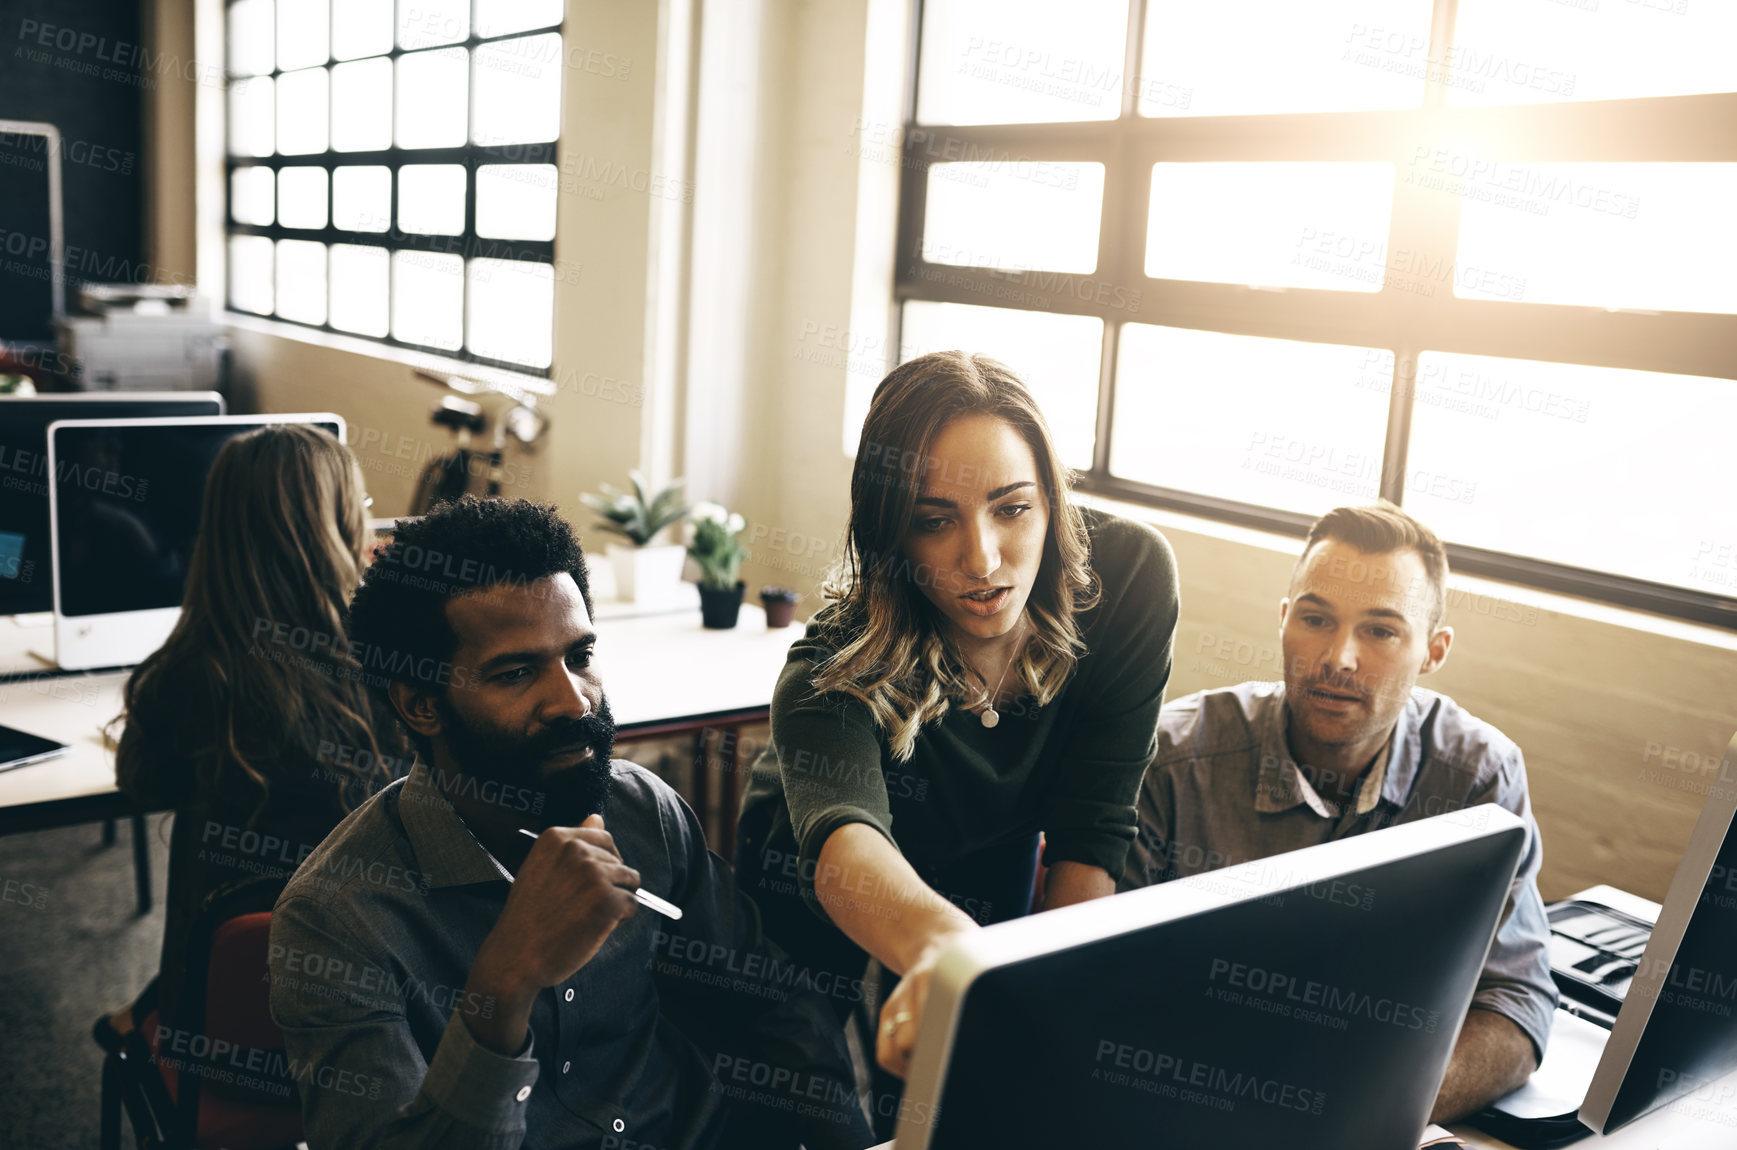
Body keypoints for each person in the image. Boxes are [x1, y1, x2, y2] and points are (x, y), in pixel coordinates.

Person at [268, 497, 872, 1150]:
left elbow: (773, 1008)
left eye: (579, 655)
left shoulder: (643, 810)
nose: (571, 698)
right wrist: (504, 984)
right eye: (515, 672)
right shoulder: (336, 917)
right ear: (420, 705)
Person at [734, 350, 1181, 1101]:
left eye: (1011, 508)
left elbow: (1091, 833)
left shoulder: (1129, 578)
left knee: (963, 1081)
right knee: (790, 1087)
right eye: (933, 521)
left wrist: (1041, 1007)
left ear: (1051, 501)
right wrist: (950, 951)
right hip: (813, 865)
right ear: (890, 536)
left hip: (991, 843)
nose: (982, 559)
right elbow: (849, 850)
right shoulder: (827, 669)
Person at [1121, 501, 1558, 1123]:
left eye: (1380, 630)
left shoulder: (1479, 779)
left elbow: (1516, 1000)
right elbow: (1102, 992)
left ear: (1433, 651)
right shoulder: (1169, 760)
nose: (1338, 658)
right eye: (1316, 619)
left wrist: (1370, 1113)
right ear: (1282, 622)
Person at [94, 424, 409, 1045]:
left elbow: (142, 782)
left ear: (220, 535)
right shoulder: (393, 665)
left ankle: (152, 1009)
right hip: (383, 1011)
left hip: (221, 1026)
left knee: (230, 899)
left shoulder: (192, 672)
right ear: (344, 527)